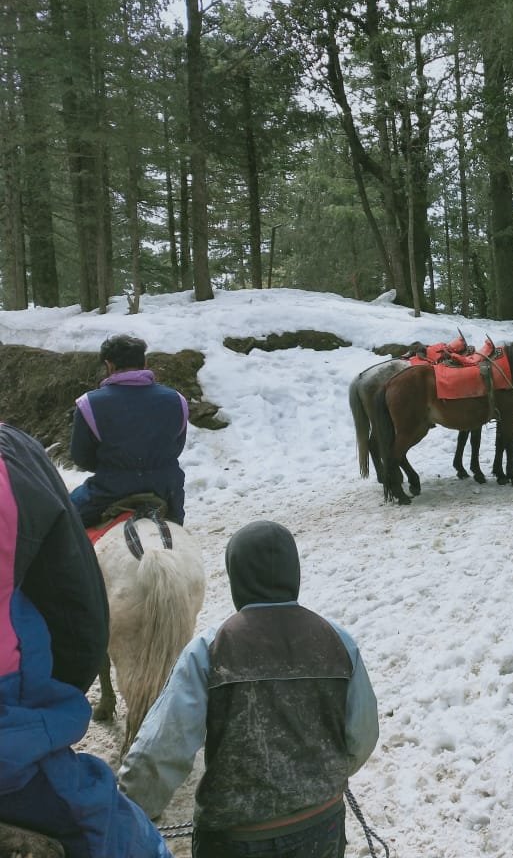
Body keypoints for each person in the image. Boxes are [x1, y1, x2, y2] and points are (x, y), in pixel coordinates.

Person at [119, 520, 380, 858]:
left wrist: (129, 808)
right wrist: (319, 780)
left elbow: (160, 749)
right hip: (322, 824)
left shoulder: (210, 650)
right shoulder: (338, 640)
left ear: (236, 578)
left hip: (237, 837)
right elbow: (363, 735)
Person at [0, 421, 170, 857]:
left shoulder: (92, 406)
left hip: (109, 489)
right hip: (164, 485)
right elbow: (76, 606)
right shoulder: (175, 404)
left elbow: (83, 457)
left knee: (77, 509)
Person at [69, 334, 188, 527]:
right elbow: (177, 447)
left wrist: (115, 468)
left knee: (65, 518)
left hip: (108, 491)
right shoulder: (177, 399)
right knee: (175, 530)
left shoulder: (88, 403)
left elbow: (81, 457)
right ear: (145, 363)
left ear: (109, 365)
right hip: (167, 490)